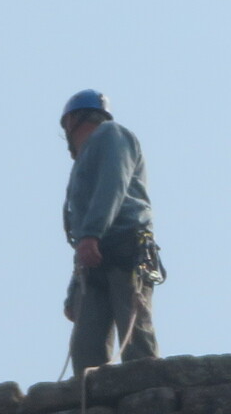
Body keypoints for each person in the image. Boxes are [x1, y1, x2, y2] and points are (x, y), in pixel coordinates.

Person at [59, 88, 162, 370]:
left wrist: (91, 234)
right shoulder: (84, 161)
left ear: (72, 121)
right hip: (93, 261)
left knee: (134, 335)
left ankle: (150, 387)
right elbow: (81, 231)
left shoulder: (110, 135)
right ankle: (91, 395)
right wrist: (74, 290)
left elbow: (112, 185)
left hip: (124, 246)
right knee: (85, 348)